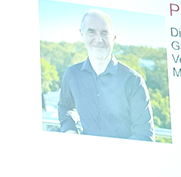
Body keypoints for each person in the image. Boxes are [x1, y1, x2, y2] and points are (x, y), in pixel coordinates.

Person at [58, 9, 155, 141]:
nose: (99, 39)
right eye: (91, 32)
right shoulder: (72, 75)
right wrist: (70, 131)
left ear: (113, 38)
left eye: (105, 33)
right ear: (82, 35)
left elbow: (144, 136)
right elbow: (65, 107)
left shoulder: (133, 81)